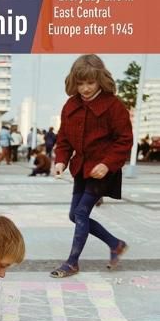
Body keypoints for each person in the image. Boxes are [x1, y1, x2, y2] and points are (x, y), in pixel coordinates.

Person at [51, 54, 133, 278]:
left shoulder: (114, 106)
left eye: (90, 82)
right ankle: (115, 244)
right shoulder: (70, 106)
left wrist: (107, 164)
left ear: (100, 80)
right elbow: (64, 139)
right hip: (81, 168)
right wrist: (61, 160)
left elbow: (125, 139)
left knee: (81, 212)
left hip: (103, 170)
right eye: (80, 83)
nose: (85, 88)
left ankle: (72, 262)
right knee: (74, 215)